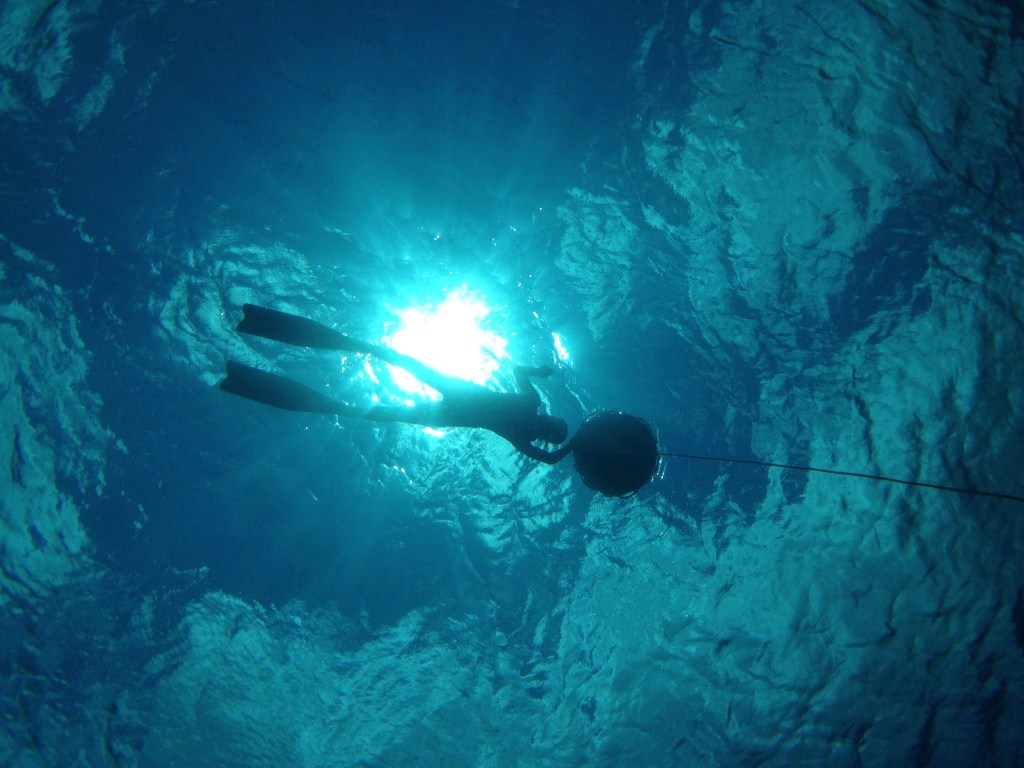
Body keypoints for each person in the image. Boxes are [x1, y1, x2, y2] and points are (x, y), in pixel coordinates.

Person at [220, 304, 572, 463]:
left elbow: (518, 373)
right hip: (454, 401)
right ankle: (248, 350)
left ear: (549, 427)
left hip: (453, 401)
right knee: (377, 379)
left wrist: (537, 372)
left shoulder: (529, 413)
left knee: (380, 371)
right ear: (549, 428)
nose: (548, 426)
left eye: (552, 428)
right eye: (553, 428)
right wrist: (536, 374)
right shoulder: (528, 419)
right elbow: (519, 375)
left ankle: (247, 355)